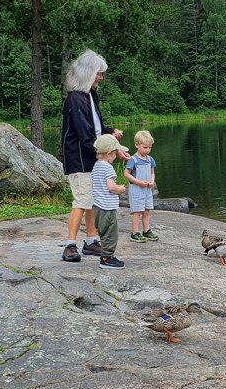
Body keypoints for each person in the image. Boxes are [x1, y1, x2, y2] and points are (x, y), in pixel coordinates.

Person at [60, 50, 128, 262]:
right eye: (98, 73)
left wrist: (110, 132)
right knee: (81, 200)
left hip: (92, 157)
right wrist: (112, 149)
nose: (101, 78)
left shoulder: (90, 96)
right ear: (87, 73)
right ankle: (69, 246)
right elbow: (85, 135)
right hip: (79, 159)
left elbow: (95, 128)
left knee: (92, 200)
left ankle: (90, 241)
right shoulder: (75, 99)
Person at [91, 134, 128, 269]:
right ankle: (106, 258)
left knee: (103, 232)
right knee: (111, 234)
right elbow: (111, 187)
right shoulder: (108, 168)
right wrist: (121, 189)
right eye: (115, 153)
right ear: (108, 154)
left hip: (97, 207)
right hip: (107, 208)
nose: (116, 156)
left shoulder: (96, 166)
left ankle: (106, 256)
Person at [124, 130, 157, 243]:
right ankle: (135, 233)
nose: (147, 150)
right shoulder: (133, 160)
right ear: (137, 145)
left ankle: (146, 230)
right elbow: (126, 174)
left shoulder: (150, 160)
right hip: (137, 190)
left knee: (147, 211)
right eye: (145, 147)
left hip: (147, 190)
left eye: (149, 147)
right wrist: (138, 182)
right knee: (137, 211)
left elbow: (152, 172)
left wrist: (152, 181)